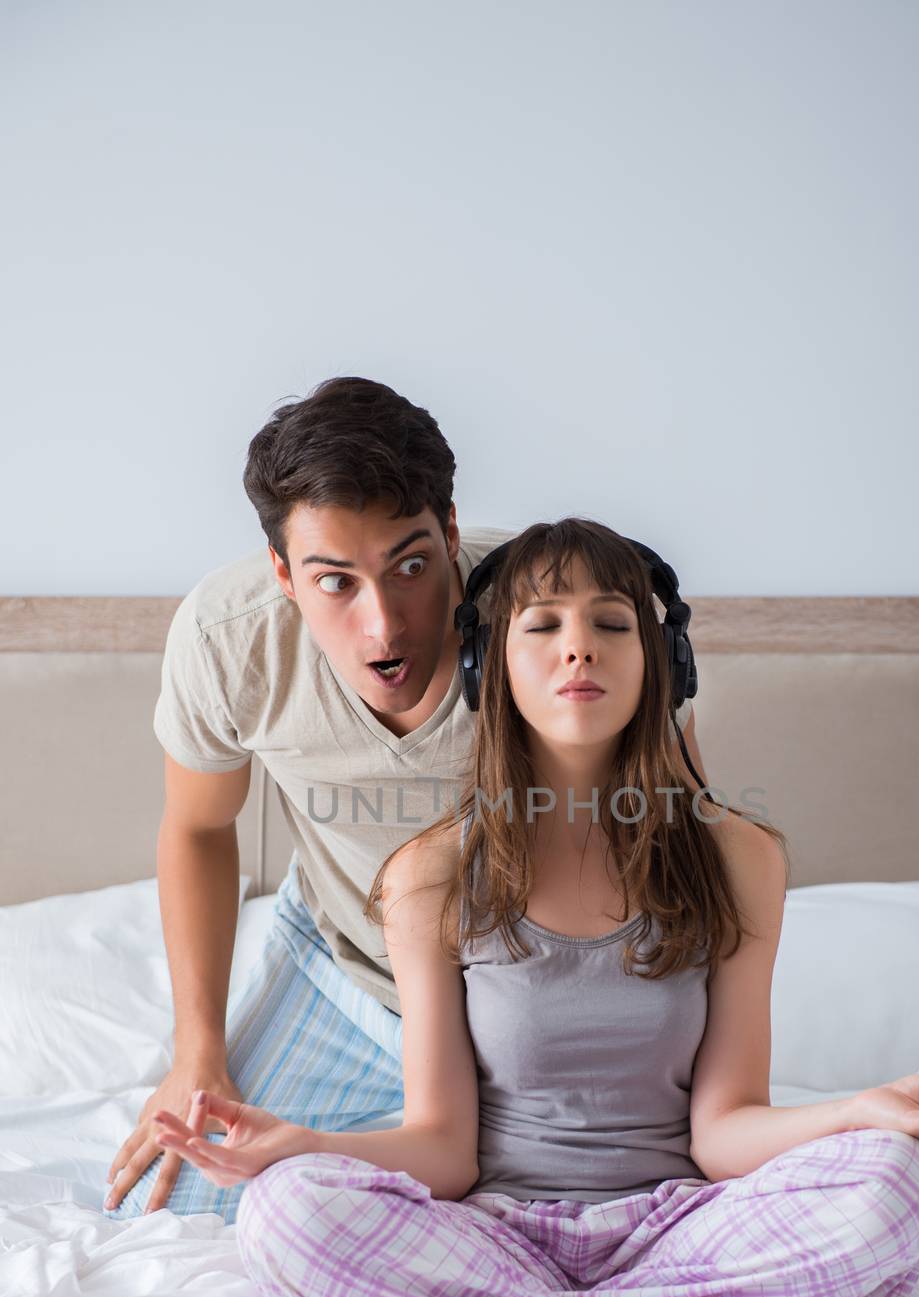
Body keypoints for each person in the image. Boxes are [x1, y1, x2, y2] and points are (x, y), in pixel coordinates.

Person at [146, 520, 919, 1297]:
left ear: (660, 666)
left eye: (612, 623)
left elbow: (724, 1133)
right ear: (490, 664)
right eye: (543, 625)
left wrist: (861, 1111)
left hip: (679, 1229)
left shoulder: (738, 855)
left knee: (900, 1180)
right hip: (494, 1239)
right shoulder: (429, 874)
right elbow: (442, 1152)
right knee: (284, 1211)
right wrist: (302, 1146)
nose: (580, 647)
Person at [103, 379, 704, 1224]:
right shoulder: (226, 640)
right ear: (282, 572)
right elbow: (199, 829)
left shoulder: (562, 622)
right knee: (179, 1210)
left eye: (412, 567)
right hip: (351, 973)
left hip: (536, 993)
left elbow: (674, 836)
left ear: (452, 534)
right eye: (335, 582)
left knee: (632, 1214)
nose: (383, 626)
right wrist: (196, 1049)